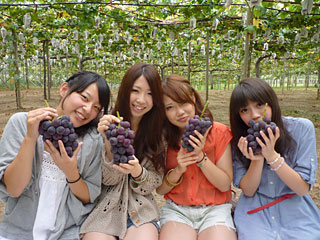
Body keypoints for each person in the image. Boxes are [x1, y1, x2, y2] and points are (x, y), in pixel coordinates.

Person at [0, 71, 111, 240]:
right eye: (84, 98)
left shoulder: (92, 140)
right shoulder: (22, 123)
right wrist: (30, 139)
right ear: (64, 89)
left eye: (97, 107)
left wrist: (71, 172)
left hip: (68, 233)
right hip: (18, 232)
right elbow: (14, 189)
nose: (88, 109)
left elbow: (89, 196)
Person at [80, 63, 166, 240]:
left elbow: (154, 183)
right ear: (125, 90)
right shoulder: (105, 124)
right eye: (135, 90)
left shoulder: (158, 132)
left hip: (142, 211)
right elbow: (107, 179)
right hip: (104, 210)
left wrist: (138, 172)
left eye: (149, 93)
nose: (141, 99)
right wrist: (108, 145)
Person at [229, 78, 320, 240]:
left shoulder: (301, 129)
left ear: (272, 102)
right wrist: (257, 159)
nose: (255, 115)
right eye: (244, 110)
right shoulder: (240, 140)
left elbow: (302, 189)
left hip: (295, 206)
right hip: (255, 209)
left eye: (260, 105)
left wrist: (272, 157)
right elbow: (249, 191)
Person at [156, 75, 237, 240]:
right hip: (177, 211)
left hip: (215, 209)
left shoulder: (218, 132)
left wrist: (200, 158)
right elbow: (160, 189)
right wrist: (178, 170)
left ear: (193, 98)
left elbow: (224, 185)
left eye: (184, 103)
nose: (180, 112)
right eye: (170, 107)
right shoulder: (162, 139)